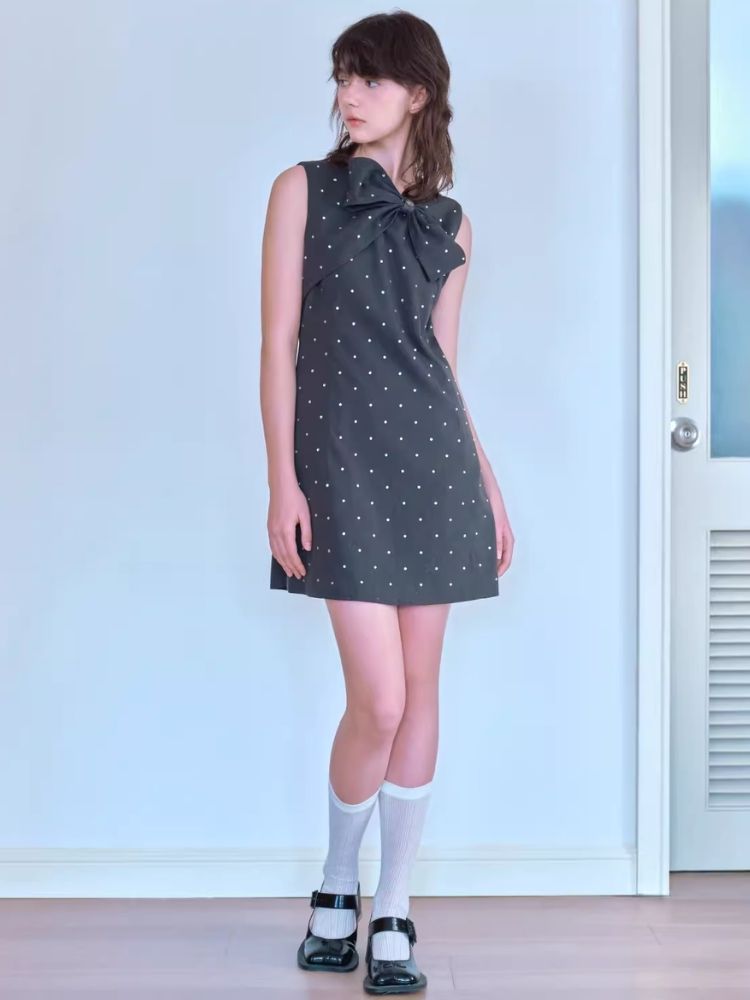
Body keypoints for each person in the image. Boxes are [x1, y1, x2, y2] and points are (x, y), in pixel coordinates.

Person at [259, 10, 514, 995]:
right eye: (342, 77)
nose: (347, 96)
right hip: (339, 468)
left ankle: (394, 903)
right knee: (381, 698)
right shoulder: (301, 190)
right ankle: (337, 881)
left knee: (422, 693)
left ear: (419, 92)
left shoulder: (452, 223)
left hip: (435, 467)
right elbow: (277, 345)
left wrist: (486, 480)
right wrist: (281, 479)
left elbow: (443, 365)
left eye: (367, 78)